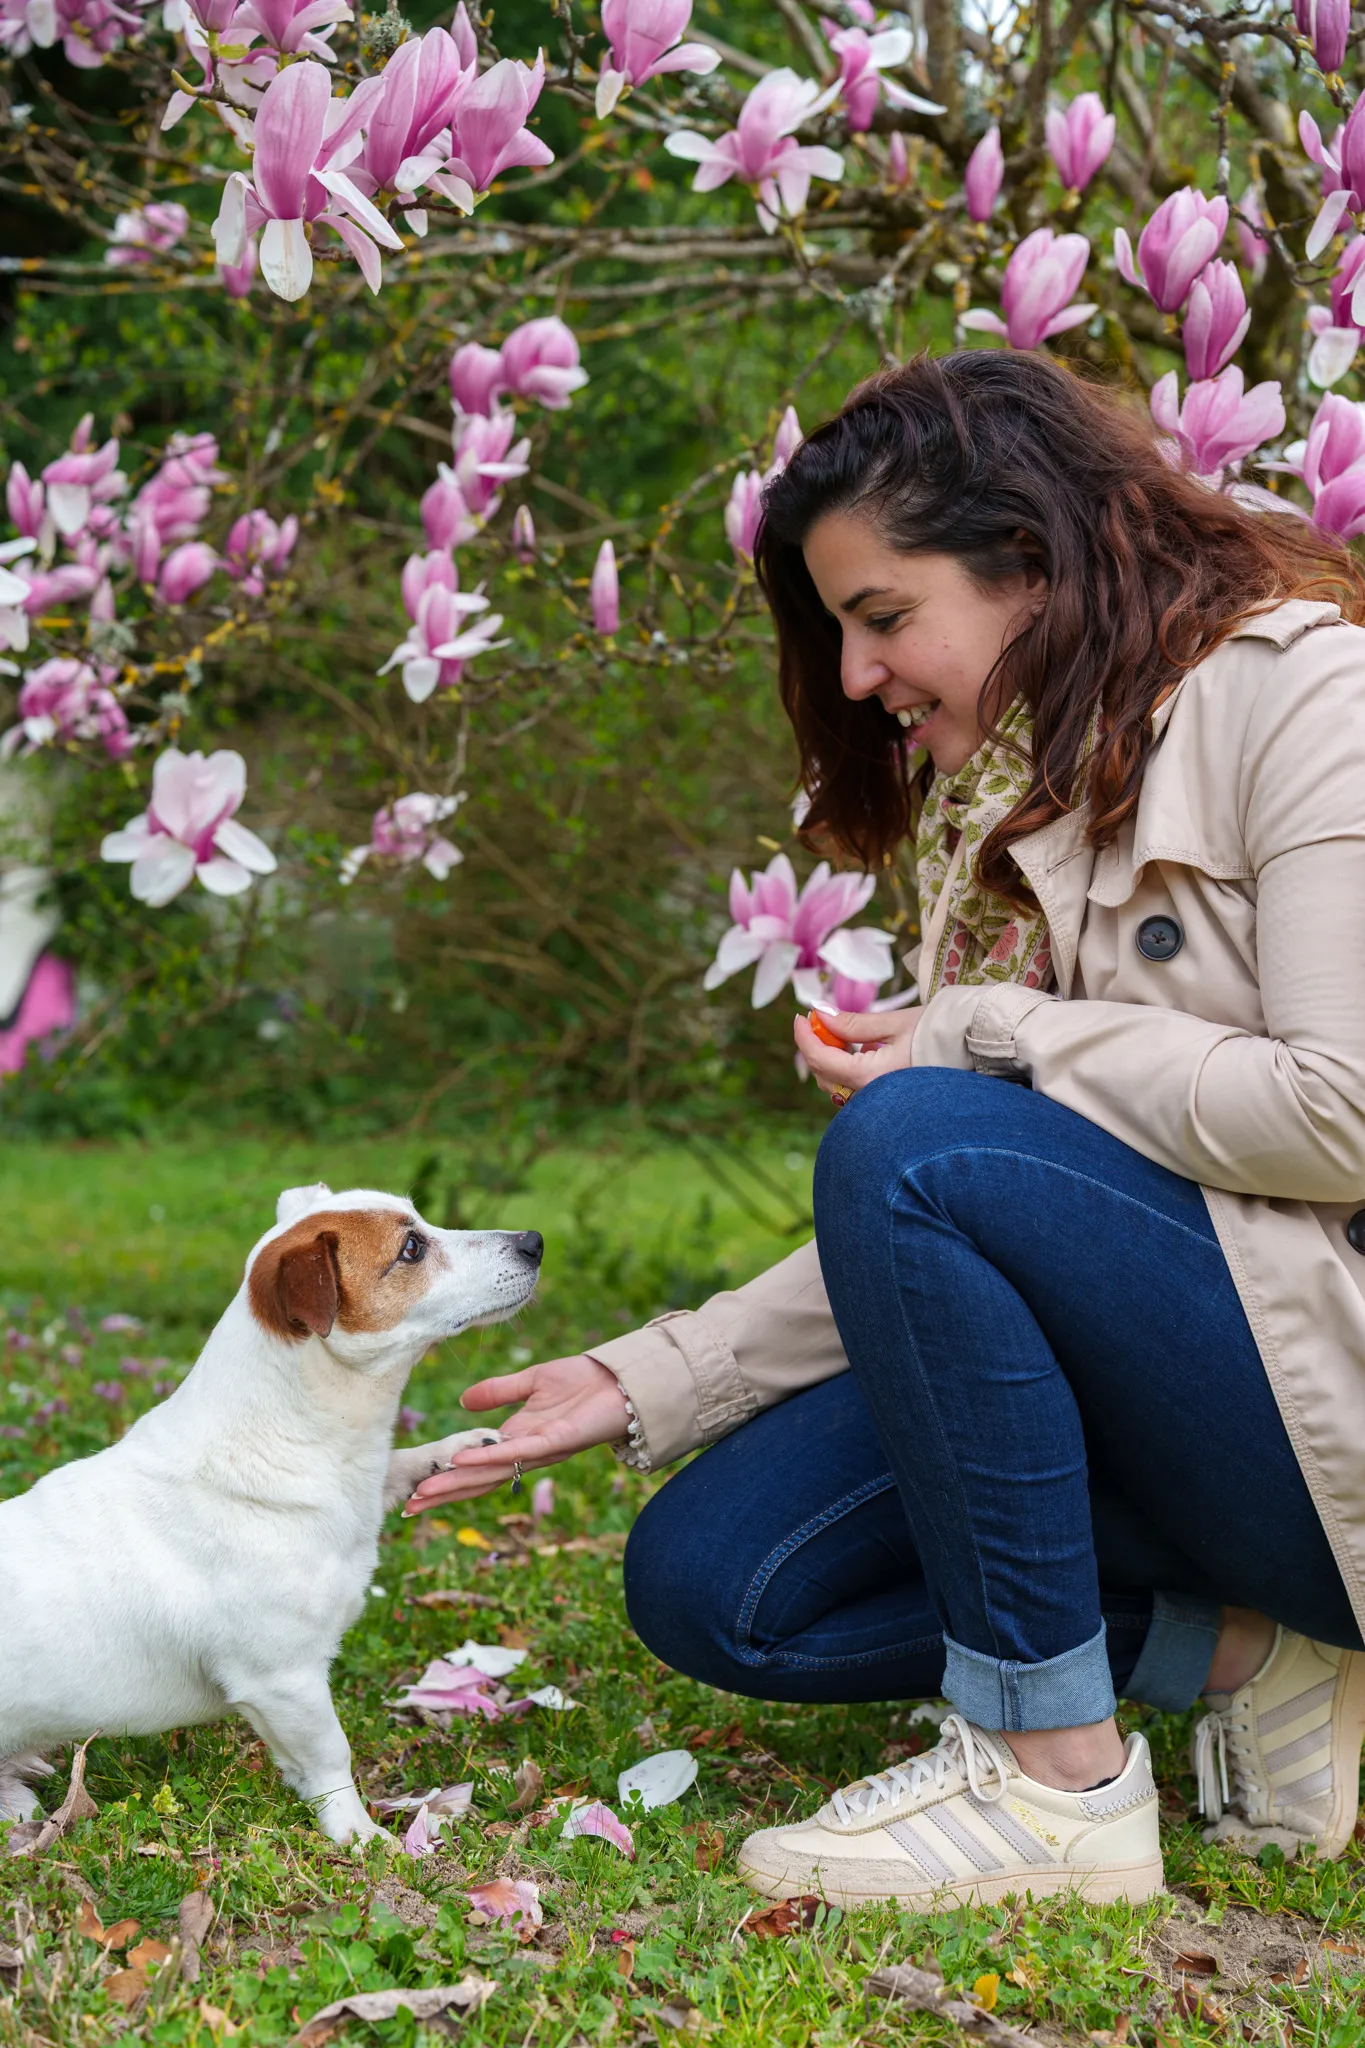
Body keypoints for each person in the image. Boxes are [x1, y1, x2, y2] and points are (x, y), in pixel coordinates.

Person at [404, 350, 1365, 1909]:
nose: (856, 679)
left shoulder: (1309, 696)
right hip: (1201, 1388)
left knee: (915, 1130)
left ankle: (1052, 1779)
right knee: (720, 1584)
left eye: (883, 617)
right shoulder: (1030, 802)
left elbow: (1345, 1113)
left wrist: (997, 1029)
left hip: (1332, 1421)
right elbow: (975, 1205)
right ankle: (1254, 1651)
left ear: (1033, 563)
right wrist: (642, 1372)